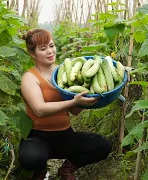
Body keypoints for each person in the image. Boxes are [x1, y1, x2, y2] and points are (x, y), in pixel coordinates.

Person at [19, 28, 112, 180]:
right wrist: (73, 101)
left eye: (51, 45)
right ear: (32, 54)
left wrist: (88, 99)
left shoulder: (64, 73)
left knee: (102, 146)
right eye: (43, 49)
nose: (50, 51)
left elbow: (74, 111)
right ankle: (41, 170)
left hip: (65, 135)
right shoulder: (29, 78)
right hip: (37, 137)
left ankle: (67, 169)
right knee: (30, 158)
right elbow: (40, 110)